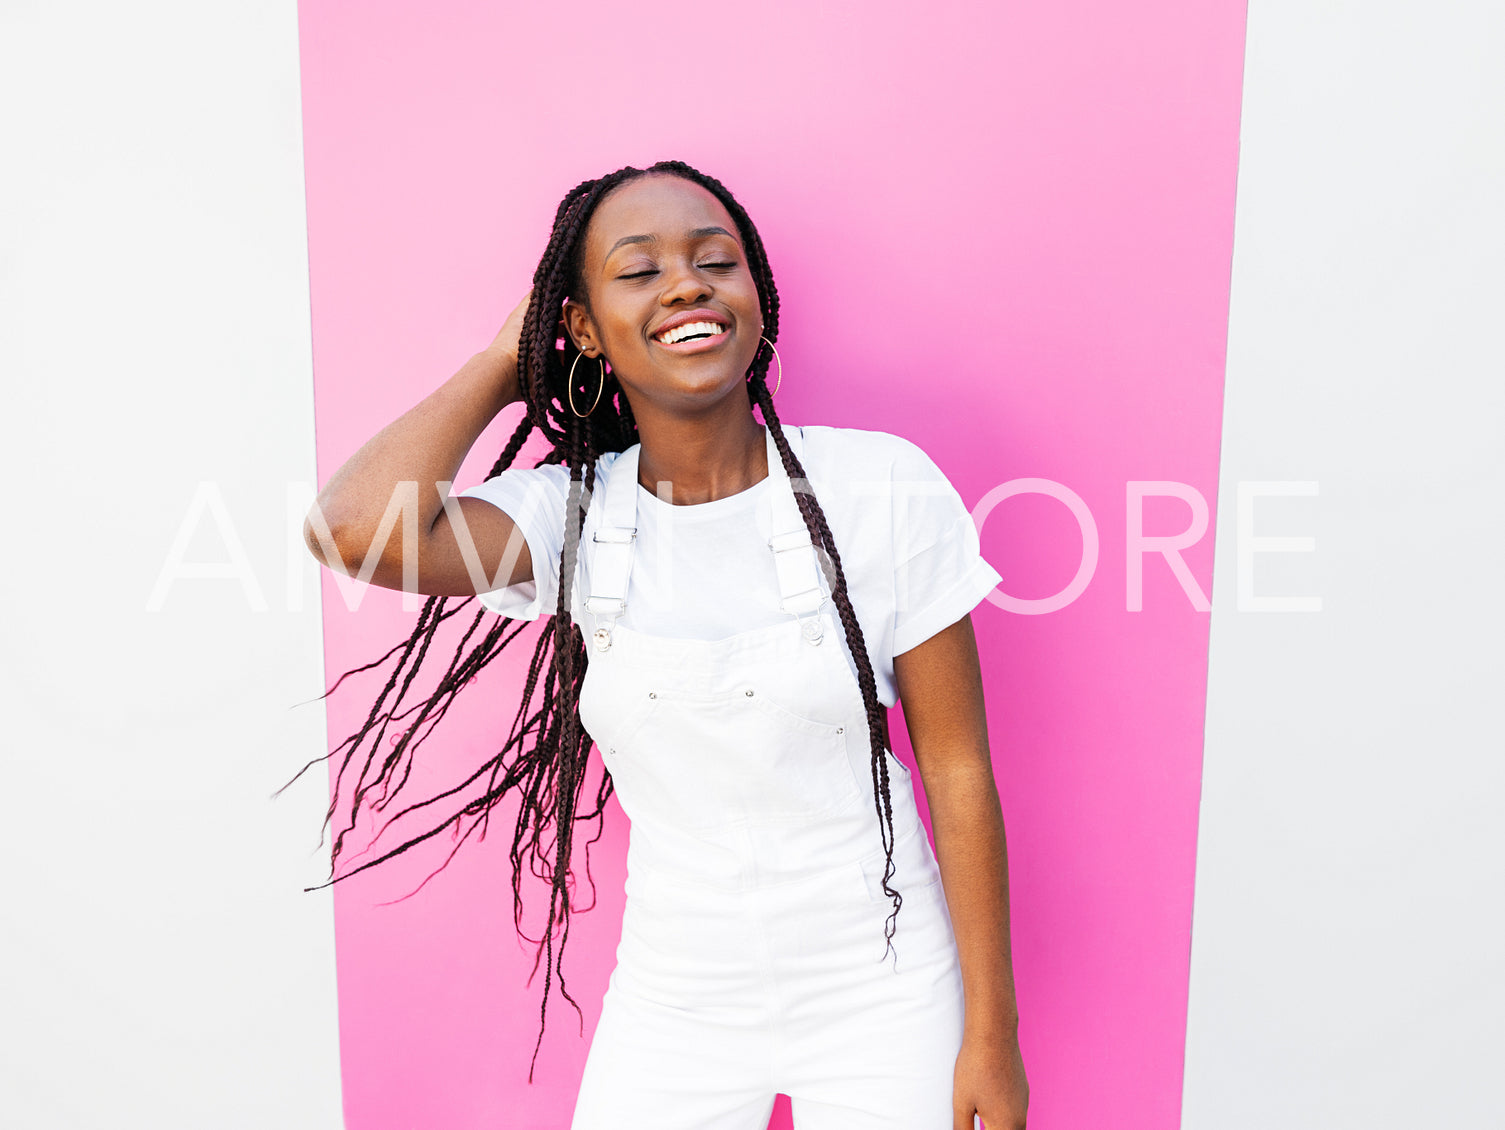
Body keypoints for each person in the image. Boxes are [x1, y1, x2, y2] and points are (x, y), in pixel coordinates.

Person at [302, 160, 1028, 1130]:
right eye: (637, 271)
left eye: (713, 260)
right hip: (675, 1000)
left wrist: (991, 1032)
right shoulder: (569, 514)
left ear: (753, 299)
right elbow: (352, 528)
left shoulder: (878, 488)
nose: (686, 283)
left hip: (885, 988)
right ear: (582, 329)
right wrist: (502, 356)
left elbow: (955, 765)